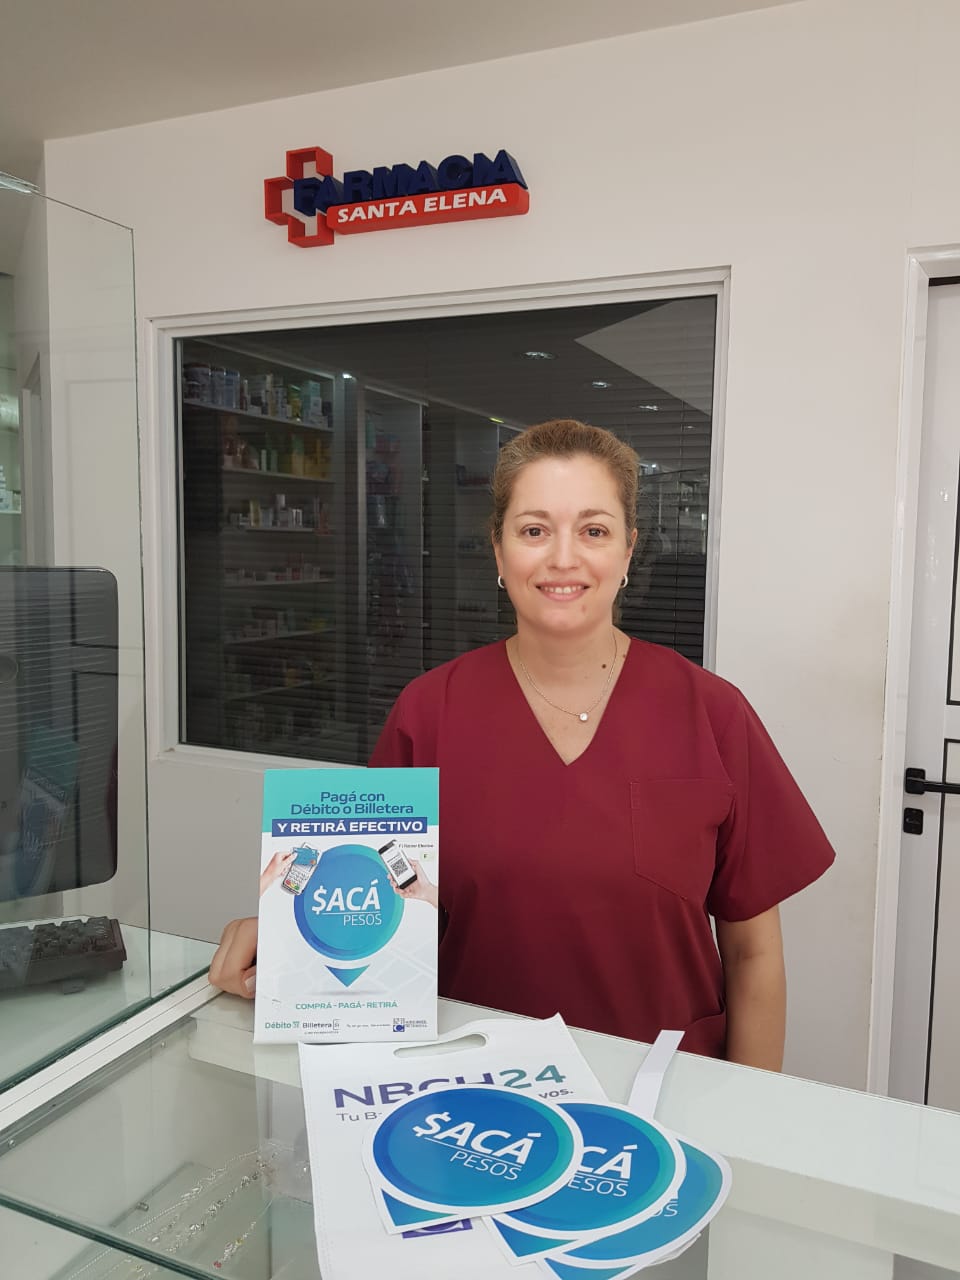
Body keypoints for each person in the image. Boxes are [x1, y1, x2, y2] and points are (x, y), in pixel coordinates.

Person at [210, 419, 835, 1069]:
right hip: (470, 1084)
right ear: (499, 550)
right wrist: (288, 940)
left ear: (628, 551)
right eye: (534, 530)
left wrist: (748, 1111)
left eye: (594, 531)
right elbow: (373, 912)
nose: (563, 558)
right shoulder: (429, 712)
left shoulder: (712, 714)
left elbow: (753, 954)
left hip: (665, 1090)